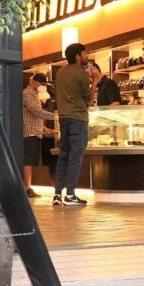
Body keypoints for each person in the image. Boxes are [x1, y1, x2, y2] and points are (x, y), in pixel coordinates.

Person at [53, 42, 92, 206]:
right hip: (78, 118)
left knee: (64, 156)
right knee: (75, 157)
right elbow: (88, 99)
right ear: (78, 56)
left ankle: (57, 194)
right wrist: (94, 81)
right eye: (85, 54)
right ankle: (70, 195)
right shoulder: (82, 73)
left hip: (63, 118)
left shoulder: (60, 72)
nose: (87, 56)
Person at [22, 72, 56, 198]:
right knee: (28, 161)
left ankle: (28, 187)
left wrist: (43, 128)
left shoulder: (34, 94)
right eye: (42, 84)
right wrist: (55, 116)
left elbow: (33, 116)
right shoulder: (27, 94)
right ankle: (27, 188)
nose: (43, 87)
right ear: (35, 83)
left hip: (35, 131)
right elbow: (35, 111)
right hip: (29, 132)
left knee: (30, 161)